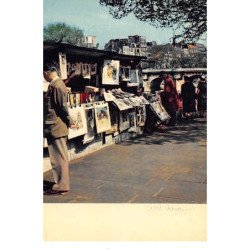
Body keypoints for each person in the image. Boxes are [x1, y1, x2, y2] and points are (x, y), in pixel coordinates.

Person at [43, 64, 74, 195]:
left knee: (59, 158)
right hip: (55, 126)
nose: (43, 77)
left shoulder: (57, 85)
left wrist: (70, 121)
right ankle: (61, 184)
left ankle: (61, 186)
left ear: (47, 72)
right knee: (58, 158)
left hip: (57, 127)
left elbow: (62, 107)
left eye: (43, 74)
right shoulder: (55, 85)